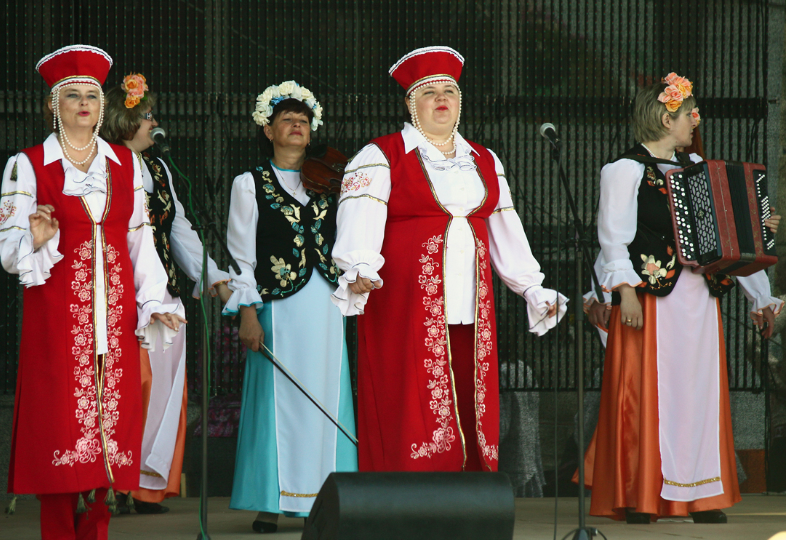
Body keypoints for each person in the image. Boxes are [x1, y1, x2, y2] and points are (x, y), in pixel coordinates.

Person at [331, 46, 567, 473]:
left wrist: (531, 286)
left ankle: (468, 482)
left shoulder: (483, 159)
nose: (442, 98)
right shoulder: (381, 155)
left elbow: (505, 229)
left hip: (470, 301)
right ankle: (411, 486)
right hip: (407, 300)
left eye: (450, 91)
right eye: (429, 91)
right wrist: (358, 265)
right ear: (410, 103)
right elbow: (358, 217)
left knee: (468, 387)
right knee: (411, 393)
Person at [0, 45, 185, 539]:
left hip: (115, 316)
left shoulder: (124, 163)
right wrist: (35, 239)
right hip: (58, 316)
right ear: (53, 104)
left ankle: (96, 527)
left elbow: (140, 239)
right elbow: (9, 250)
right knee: (61, 423)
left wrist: (154, 300)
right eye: (72, 94)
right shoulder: (27, 165)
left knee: (111, 432)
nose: (84, 103)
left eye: (92, 95)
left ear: (103, 106)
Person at [582, 73, 783, 524]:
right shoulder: (625, 169)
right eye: (690, 113)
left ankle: (699, 495)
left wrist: (760, 271)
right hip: (652, 299)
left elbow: (728, 237)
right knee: (652, 394)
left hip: (700, 299)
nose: (696, 120)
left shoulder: (698, 169)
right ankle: (643, 494)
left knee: (697, 394)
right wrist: (624, 292)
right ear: (664, 118)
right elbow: (613, 238)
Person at [223, 80, 357, 533]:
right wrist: (247, 312)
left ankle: (325, 500)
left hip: (326, 302)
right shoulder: (249, 183)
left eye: (303, 120)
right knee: (280, 398)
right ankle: (271, 500)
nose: (297, 125)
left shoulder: (333, 181)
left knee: (325, 392)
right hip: (277, 305)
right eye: (287, 119)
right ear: (268, 130)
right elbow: (242, 257)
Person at [101, 74, 232, 513]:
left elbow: (180, 229)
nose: (154, 122)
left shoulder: (159, 168)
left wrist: (212, 277)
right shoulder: (103, 165)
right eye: (147, 115)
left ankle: (143, 485)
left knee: (165, 388)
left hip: (167, 296)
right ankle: (111, 478)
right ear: (123, 120)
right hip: (123, 296)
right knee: (131, 385)